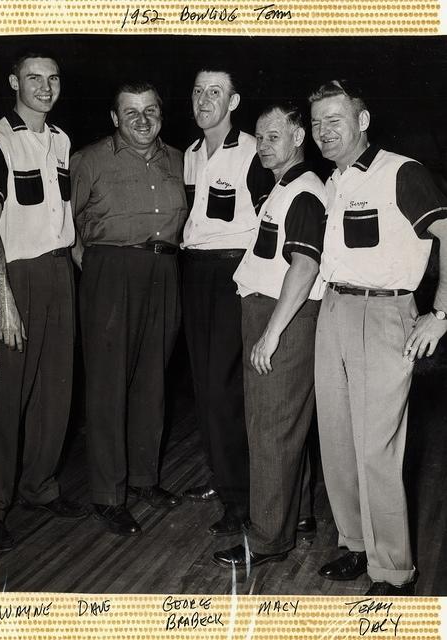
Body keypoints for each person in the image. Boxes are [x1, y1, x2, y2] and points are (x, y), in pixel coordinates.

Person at [309, 79, 447, 595]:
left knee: (376, 450)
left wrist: (441, 313)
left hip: (385, 316)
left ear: (362, 122)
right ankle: (354, 545)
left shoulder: (401, 172)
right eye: (317, 122)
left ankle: (392, 571)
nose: (324, 131)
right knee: (338, 444)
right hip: (335, 312)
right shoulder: (331, 182)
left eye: (335, 120)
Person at [212, 103, 326, 569]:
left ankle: (265, 540)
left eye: (274, 136)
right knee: (286, 427)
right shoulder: (286, 187)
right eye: (259, 137)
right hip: (273, 312)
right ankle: (295, 518)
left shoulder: (303, 192)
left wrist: (271, 334)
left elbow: (305, 266)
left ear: (299, 137)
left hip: (282, 317)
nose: (262, 145)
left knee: (270, 431)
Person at [70, 82, 187, 536]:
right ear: (115, 118)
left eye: (150, 110)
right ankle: (107, 494)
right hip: (110, 272)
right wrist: (95, 267)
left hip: (165, 272)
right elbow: (67, 225)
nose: (142, 119)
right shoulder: (89, 160)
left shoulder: (180, 160)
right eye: (131, 112)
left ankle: (144, 480)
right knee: (107, 387)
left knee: (153, 382)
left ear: (161, 114)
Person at [0, 52, 87, 551]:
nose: (45, 87)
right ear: (13, 82)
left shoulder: (62, 141)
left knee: (56, 391)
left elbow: (64, 222)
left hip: (58, 271)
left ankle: (39, 487)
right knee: (7, 398)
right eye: (34, 79)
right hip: (15, 276)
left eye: (53, 78)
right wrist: (3, 298)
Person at [180, 68, 274, 536]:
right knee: (204, 385)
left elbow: (269, 221)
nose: (204, 99)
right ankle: (224, 478)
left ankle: (243, 498)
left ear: (233, 102)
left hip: (232, 273)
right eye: (198, 91)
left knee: (225, 389)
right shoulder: (192, 154)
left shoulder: (255, 151)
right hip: (194, 271)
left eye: (215, 92)